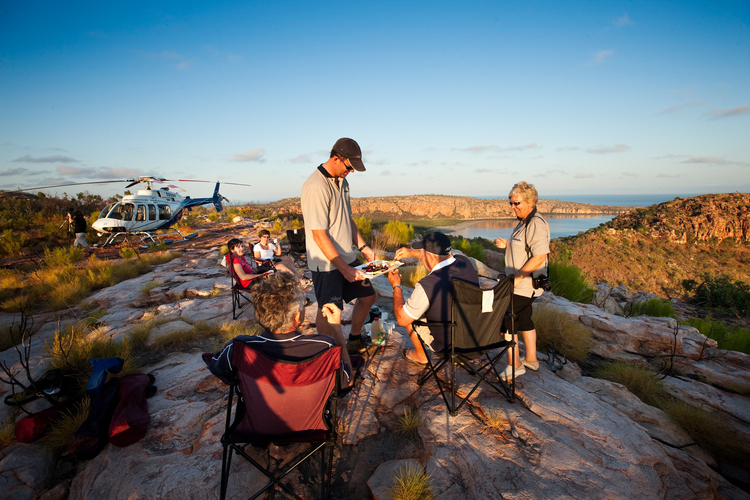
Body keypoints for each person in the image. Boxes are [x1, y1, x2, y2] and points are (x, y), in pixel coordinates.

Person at [204, 271, 360, 389]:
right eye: (303, 304)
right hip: (312, 428)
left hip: (255, 429)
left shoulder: (238, 348)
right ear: (297, 317)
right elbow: (346, 383)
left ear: (259, 314)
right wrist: (336, 329)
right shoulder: (323, 347)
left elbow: (219, 369)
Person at [301, 138, 378, 355]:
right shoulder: (315, 186)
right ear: (336, 158)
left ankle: (353, 339)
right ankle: (327, 354)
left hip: (347, 255)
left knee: (369, 297)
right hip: (326, 263)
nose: (351, 171)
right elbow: (319, 235)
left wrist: (363, 247)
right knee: (329, 310)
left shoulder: (343, 181)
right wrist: (345, 269)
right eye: (349, 166)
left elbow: (348, 219)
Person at [387, 232, 479, 366]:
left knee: (409, 312)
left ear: (428, 256)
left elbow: (402, 319)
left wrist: (396, 286)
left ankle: (421, 356)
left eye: (422, 253)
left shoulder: (429, 285)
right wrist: (413, 253)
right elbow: (439, 256)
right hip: (478, 338)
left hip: (450, 346)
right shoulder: (464, 262)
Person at [493, 181, 550, 380]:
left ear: (529, 202)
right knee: (524, 319)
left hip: (523, 285)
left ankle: (515, 364)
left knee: (504, 320)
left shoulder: (536, 223)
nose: (513, 207)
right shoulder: (523, 222)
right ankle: (532, 360)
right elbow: (524, 249)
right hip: (520, 284)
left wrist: (518, 277)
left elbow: (539, 256)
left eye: (516, 203)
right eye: (511, 203)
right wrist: (507, 245)